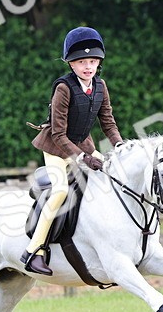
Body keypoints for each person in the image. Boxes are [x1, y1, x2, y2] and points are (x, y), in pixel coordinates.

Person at [22, 27, 124, 275]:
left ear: (98, 62)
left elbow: (107, 121)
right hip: (57, 149)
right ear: (71, 64)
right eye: (81, 62)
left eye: (92, 61)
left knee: (113, 177)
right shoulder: (64, 89)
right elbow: (58, 133)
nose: (87, 66)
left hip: (84, 145)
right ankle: (34, 250)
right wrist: (82, 158)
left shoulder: (100, 86)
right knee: (59, 192)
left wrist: (120, 145)